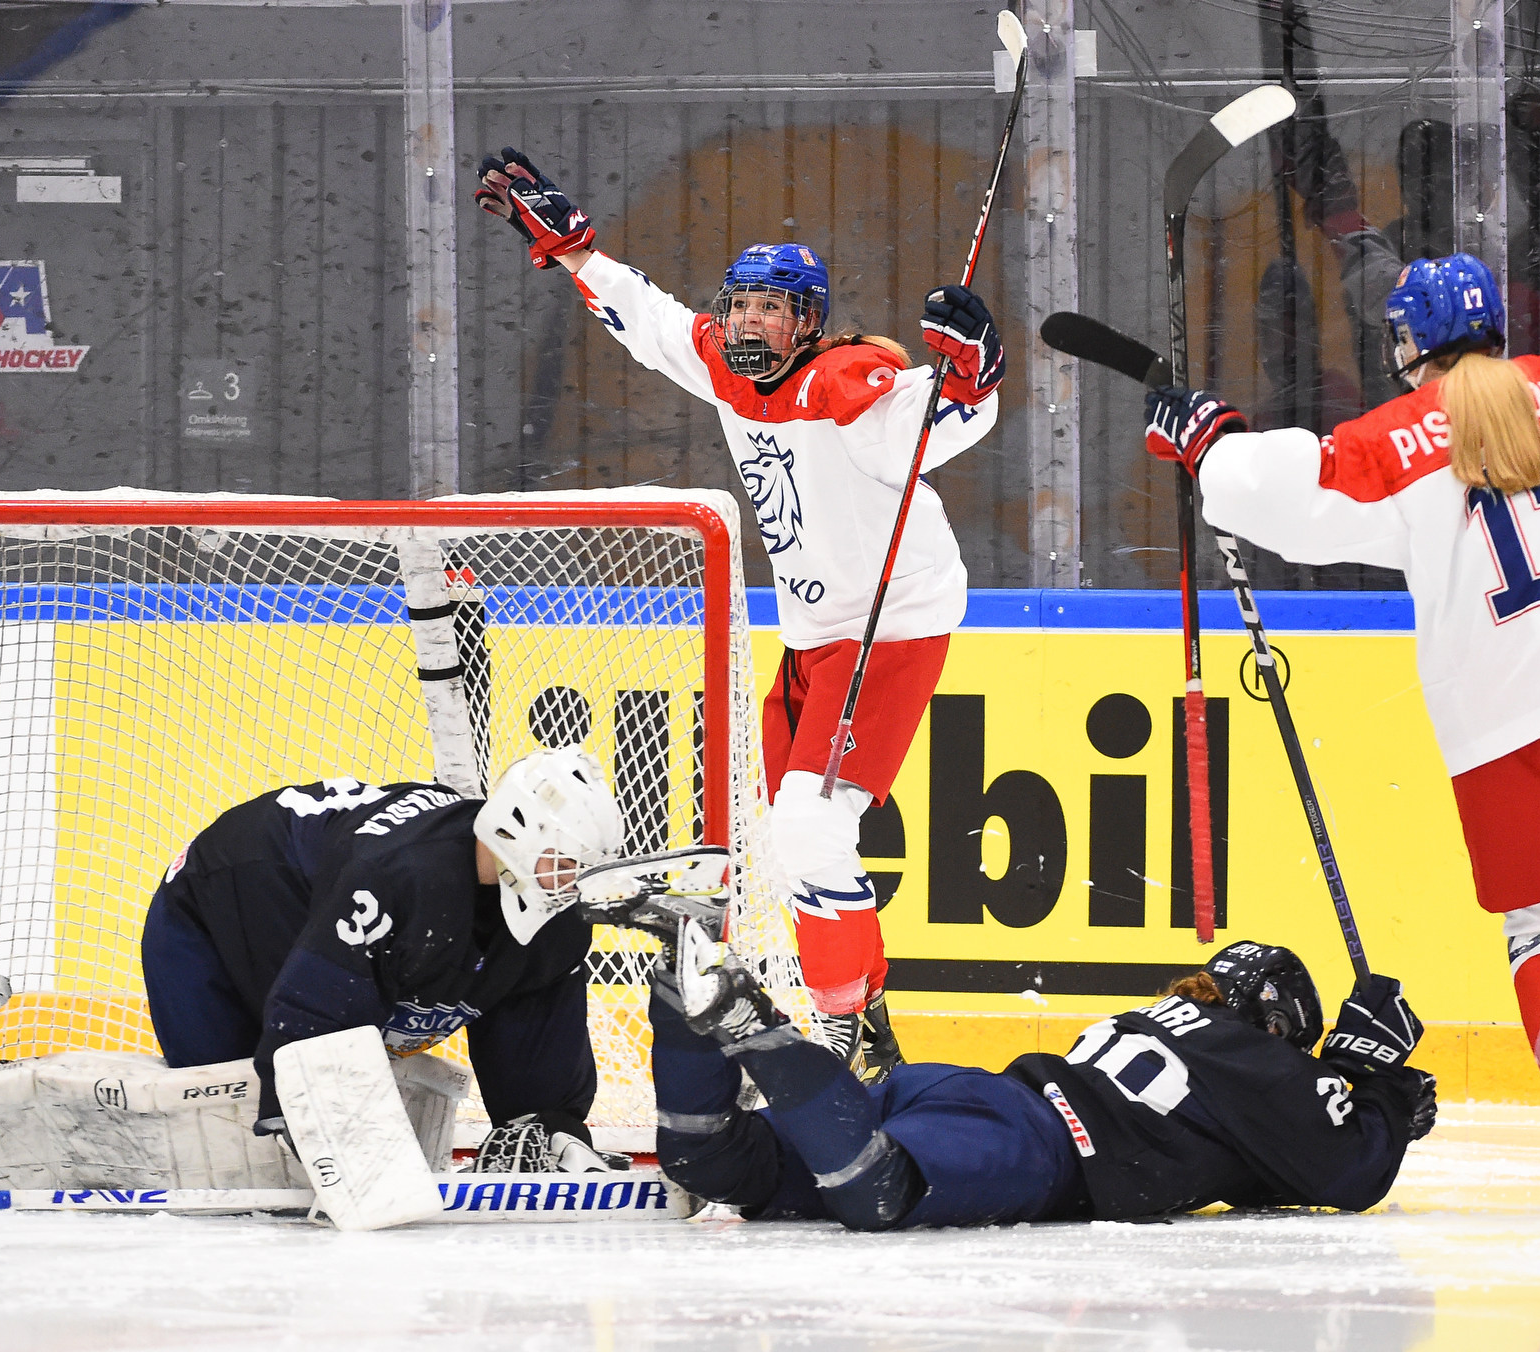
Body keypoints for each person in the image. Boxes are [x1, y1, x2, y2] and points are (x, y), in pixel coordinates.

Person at [1137, 226, 1540, 1209]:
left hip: (1503, 720)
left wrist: (1210, 441)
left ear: (1408, 343)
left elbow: (1277, 490)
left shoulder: (1393, 441)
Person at [475, 146, 1007, 1082]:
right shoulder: (726, 366)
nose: (752, 320)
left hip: (887, 625)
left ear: (809, 321)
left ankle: (843, 1022)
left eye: (774, 307)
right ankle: (869, 1014)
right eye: (742, 304)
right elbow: (651, 323)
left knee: (810, 827)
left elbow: (926, 426)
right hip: (811, 633)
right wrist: (576, 252)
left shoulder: (846, 385)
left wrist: (972, 376)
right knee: (791, 834)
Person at [585, 882, 1435, 1229]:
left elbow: (1262, 1165)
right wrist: (1374, 1080)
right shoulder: (1253, 1060)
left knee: (717, 1160)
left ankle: (682, 967)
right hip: (1034, 1147)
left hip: (964, 1096)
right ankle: (753, 1025)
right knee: (876, 1190)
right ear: (1276, 1025)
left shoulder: (1162, 1017)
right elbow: (1346, 1169)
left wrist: (1361, 1083)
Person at [138, 746, 625, 1167]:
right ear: (515, 831)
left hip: (337, 886)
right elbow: (317, 1006)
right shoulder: (403, 874)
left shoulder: (558, 912)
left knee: (528, 962)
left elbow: (537, 1031)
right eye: (566, 861)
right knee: (228, 1111)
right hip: (225, 893)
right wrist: (314, 1115)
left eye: (585, 866)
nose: (574, 881)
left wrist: (549, 1124)